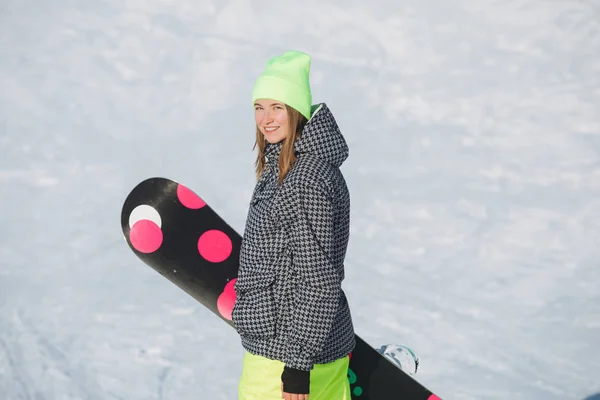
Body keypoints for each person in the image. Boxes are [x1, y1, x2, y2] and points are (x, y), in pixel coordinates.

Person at [231, 50, 356, 400]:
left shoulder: (304, 180)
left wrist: (297, 367)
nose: (266, 119)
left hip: (285, 358)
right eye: (259, 106)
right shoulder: (290, 168)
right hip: (301, 348)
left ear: (297, 111)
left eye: (277, 107)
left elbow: (318, 275)